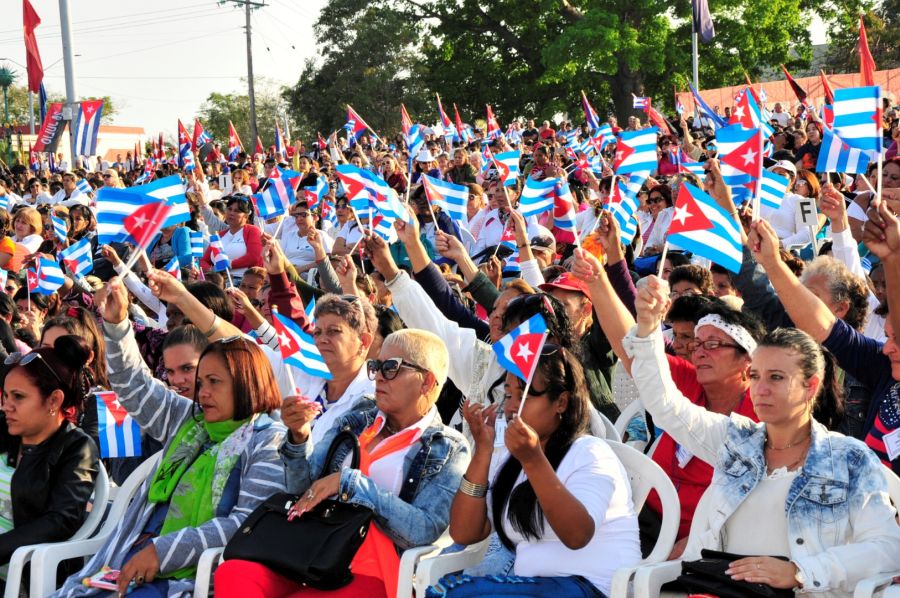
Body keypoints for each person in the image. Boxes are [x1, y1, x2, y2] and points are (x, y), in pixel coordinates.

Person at [624, 275, 900, 595]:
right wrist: (646, 327)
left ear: (810, 386)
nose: (762, 389)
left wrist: (799, 572)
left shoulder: (848, 458)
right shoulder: (736, 441)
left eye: (777, 377)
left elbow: (888, 547)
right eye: (755, 376)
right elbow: (665, 405)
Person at [53, 276, 287, 597]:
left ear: (246, 381)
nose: (201, 392)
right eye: (201, 381)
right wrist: (118, 324)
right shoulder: (191, 419)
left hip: (190, 580)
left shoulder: (268, 439)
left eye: (213, 381)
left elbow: (247, 522)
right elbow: (135, 385)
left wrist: (163, 551)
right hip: (128, 559)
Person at [214, 329, 470, 598]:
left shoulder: (448, 446)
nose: (379, 375)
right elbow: (302, 488)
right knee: (234, 573)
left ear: (427, 382)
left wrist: (350, 483)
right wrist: (299, 436)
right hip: (309, 550)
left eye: (391, 367)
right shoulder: (360, 415)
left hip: (372, 570)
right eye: (376, 366)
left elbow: (423, 530)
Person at [429, 347, 639, 597]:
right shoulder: (515, 460)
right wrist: (483, 452)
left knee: (453, 593)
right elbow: (465, 532)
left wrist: (533, 460)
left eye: (524, 397)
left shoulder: (590, 452)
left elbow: (577, 535)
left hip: (592, 588)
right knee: (445, 589)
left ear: (560, 402)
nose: (512, 409)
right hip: (534, 586)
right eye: (508, 396)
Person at [0, 336, 100, 576]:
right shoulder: (7, 429)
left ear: (54, 400)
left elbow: (60, 521)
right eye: (5, 395)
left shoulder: (76, 448)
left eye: (18, 397)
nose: (6, 406)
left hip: (27, 576)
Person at [200, 196, 263, 282]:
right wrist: (211, 270)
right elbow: (204, 260)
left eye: (237, 211)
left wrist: (228, 264)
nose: (231, 213)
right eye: (229, 209)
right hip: (218, 281)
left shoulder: (252, 231)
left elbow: (253, 257)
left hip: (243, 282)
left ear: (246, 216)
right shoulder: (221, 234)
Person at [639, 184, 674, 256]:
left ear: (668, 200)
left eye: (657, 200)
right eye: (650, 201)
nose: (653, 204)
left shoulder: (674, 220)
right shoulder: (642, 218)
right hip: (641, 261)